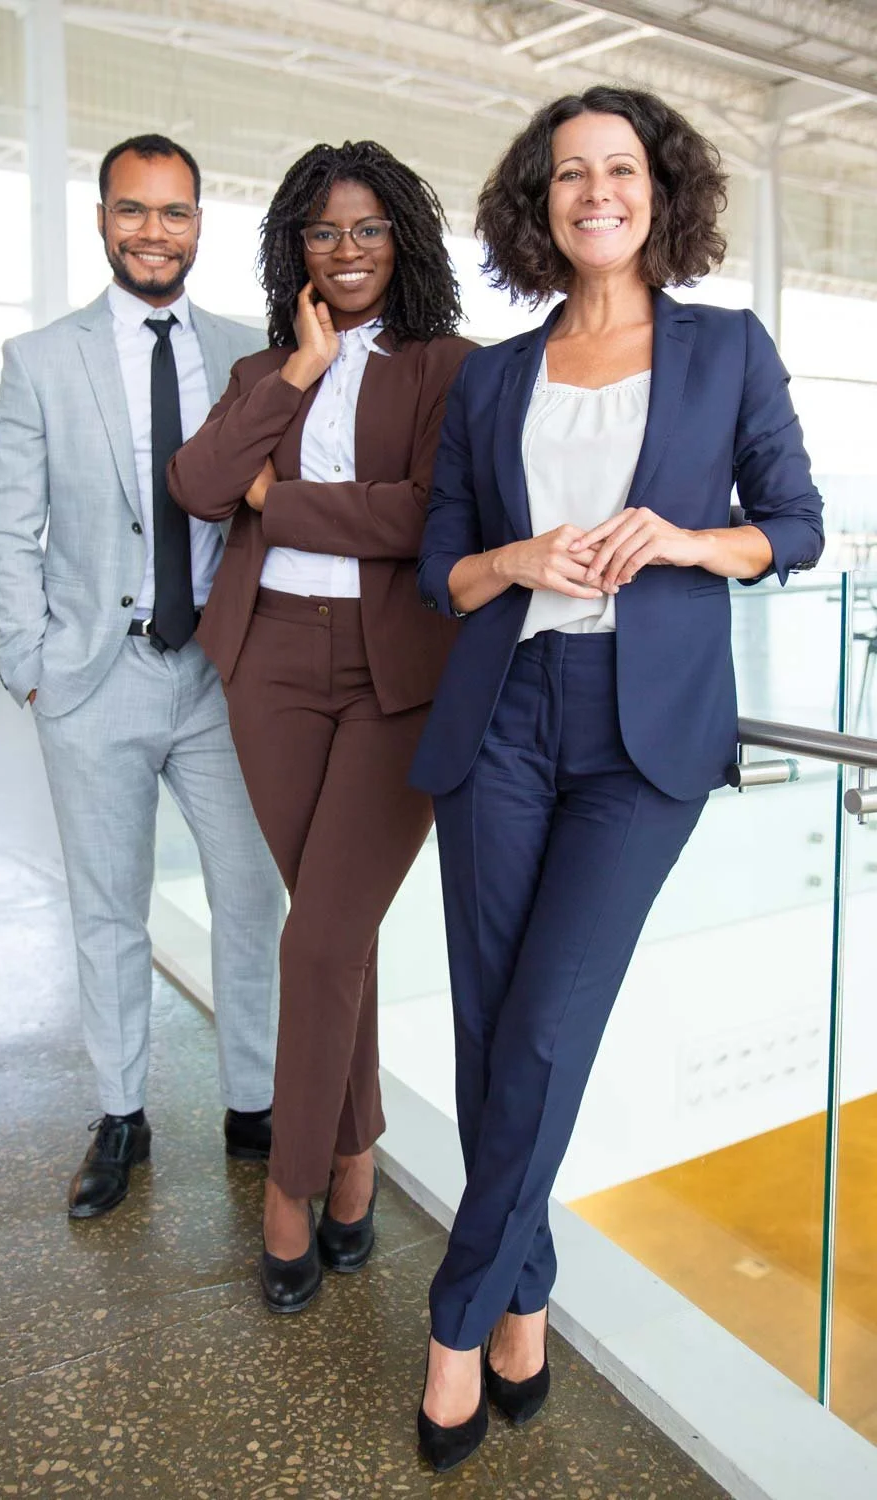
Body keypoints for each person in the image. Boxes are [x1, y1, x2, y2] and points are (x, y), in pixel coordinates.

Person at [409, 86, 825, 1471]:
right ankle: (526, 1293)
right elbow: (442, 567)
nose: (598, 190)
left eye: (622, 168)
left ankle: (457, 1318)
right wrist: (520, 563)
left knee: (540, 1030)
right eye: (569, 172)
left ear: (663, 191)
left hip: (642, 737)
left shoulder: (724, 350)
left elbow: (796, 526)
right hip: (504, 712)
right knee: (486, 1025)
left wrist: (689, 541)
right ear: (539, 201)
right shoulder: (493, 377)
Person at [168, 140, 476, 1312]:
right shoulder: (265, 368)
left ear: (403, 238)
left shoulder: (451, 368)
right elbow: (199, 485)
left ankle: (294, 1189)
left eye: (366, 230)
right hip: (272, 666)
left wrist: (282, 502)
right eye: (321, 233)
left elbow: (429, 514)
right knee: (333, 936)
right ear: (293, 247)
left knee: (319, 938)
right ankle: (356, 1158)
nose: (344, 253)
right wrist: (297, 374)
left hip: (399, 678)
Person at [0, 134, 285, 1221]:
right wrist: (30, 666)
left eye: (175, 212)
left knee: (253, 895)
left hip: (220, 678)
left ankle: (255, 1105)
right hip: (91, 682)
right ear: (102, 218)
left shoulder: (253, 355)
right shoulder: (41, 359)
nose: (154, 231)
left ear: (202, 223)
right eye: (133, 210)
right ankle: (122, 1116)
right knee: (110, 913)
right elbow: (5, 524)